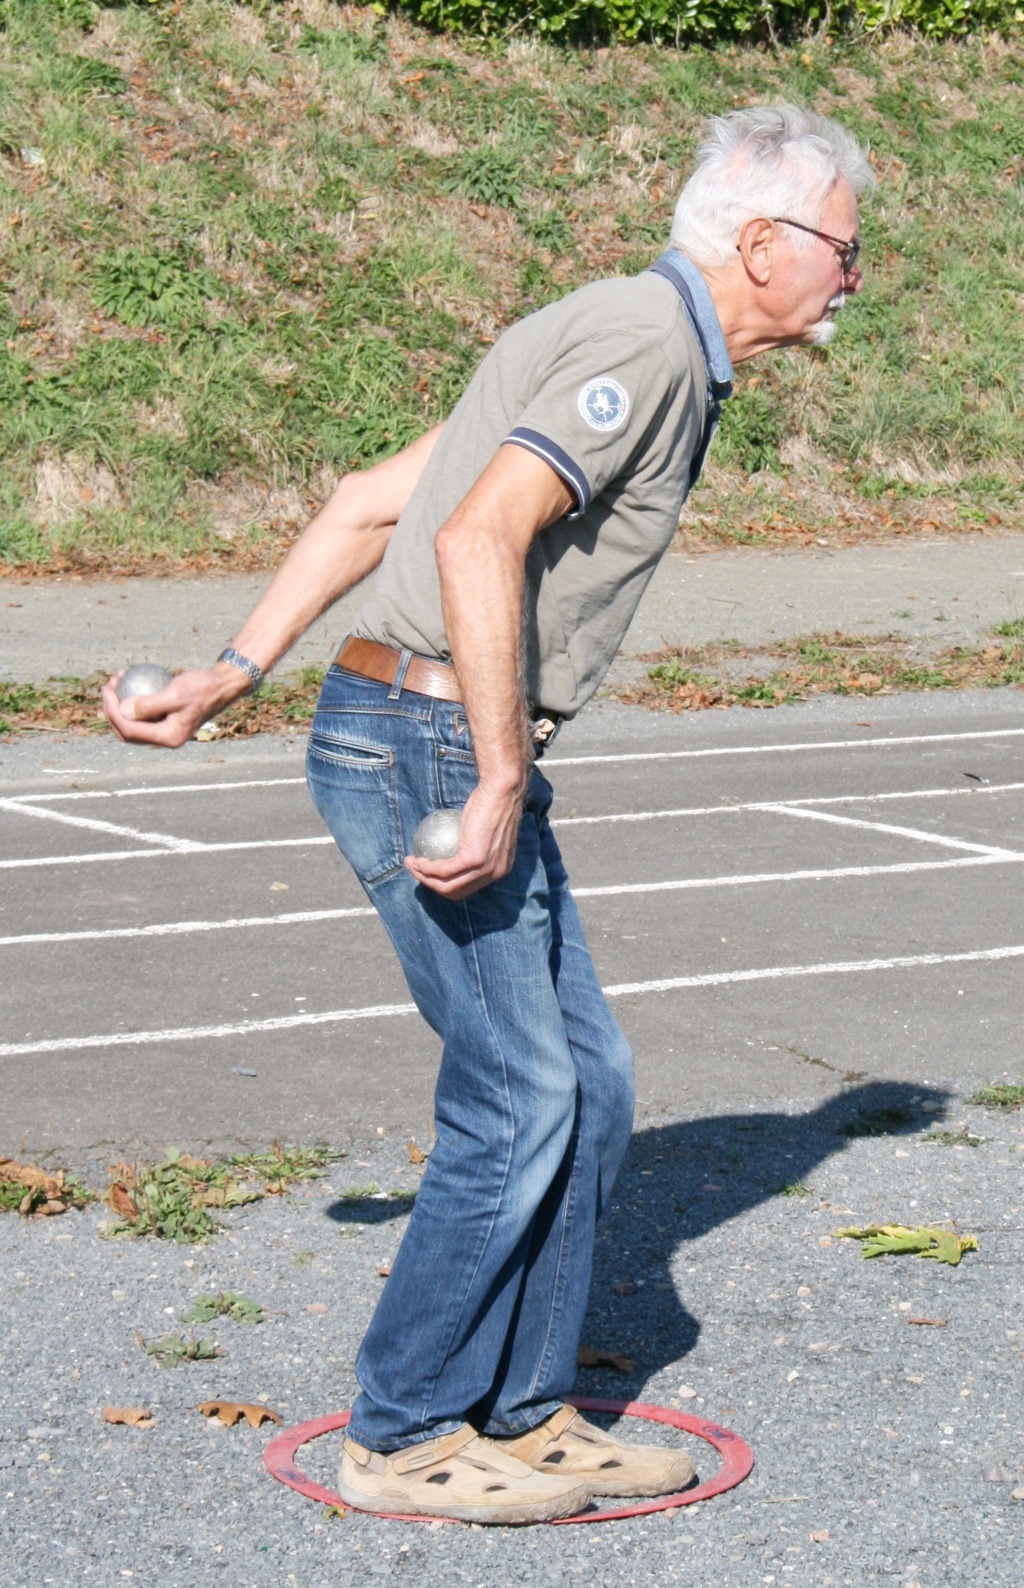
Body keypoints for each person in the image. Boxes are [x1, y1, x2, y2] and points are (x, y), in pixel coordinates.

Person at [104, 104, 873, 1524]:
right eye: (842, 248)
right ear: (761, 244)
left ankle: (523, 1418)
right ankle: (400, 1433)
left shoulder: (615, 326)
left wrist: (232, 668)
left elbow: (367, 504)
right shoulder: (644, 345)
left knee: (593, 1083)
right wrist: (503, 775)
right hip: (430, 738)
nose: (851, 277)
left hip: (425, 725)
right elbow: (472, 533)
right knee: (519, 1095)